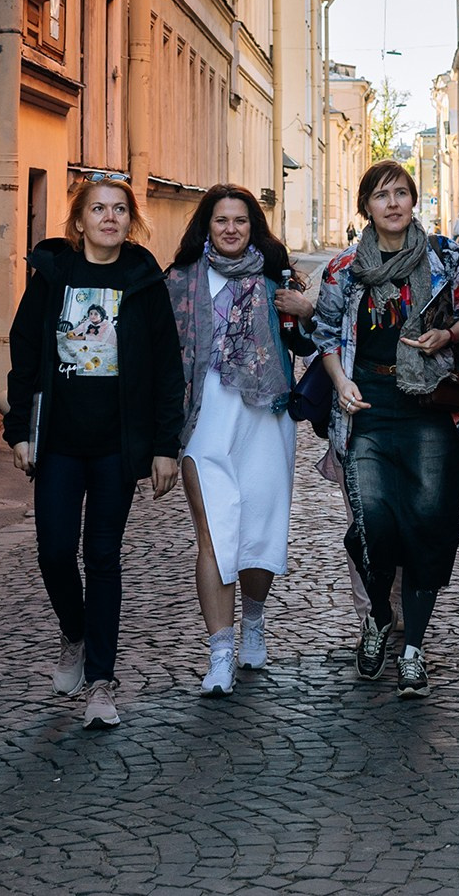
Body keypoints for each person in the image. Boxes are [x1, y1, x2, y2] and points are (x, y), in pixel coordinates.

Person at [3, 174, 184, 730]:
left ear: (131, 221)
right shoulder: (53, 274)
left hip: (116, 445)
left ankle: (101, 682)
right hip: (58, 441)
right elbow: (26, 353)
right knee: (55, 552)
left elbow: (166, 368)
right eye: (98, 209)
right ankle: (75, 635)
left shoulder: (143, 280)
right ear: (78, 221)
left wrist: (163, 447)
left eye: (120, 210)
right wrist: (20, 430)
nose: (110, 217)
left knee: (102, 556)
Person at [311, 160, 459, 699]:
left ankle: (414, 649)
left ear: (414, 201)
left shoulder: (444, 258)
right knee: (373, 524)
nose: (392, 203)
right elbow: (325, 334)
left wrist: (447, 335)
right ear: (366, 206)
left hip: (429, 404)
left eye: (401, 193)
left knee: (428, 524)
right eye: (381, 195)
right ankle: (378, 618)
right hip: (368, 405)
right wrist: (340, 384)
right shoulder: (345, 268)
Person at [164, 184, 316, 697]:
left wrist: (306, 308)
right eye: (222, 220)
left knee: (258, 530)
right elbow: (161, 354)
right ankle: (220, 653)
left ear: (254, 227)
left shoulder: (277, 279)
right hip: (203, 418)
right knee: (215, 533)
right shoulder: (181, 281)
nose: (231, 229)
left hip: (264, 418)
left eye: (241, 221)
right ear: (206, 225)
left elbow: (309, 341)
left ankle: (253, 619)